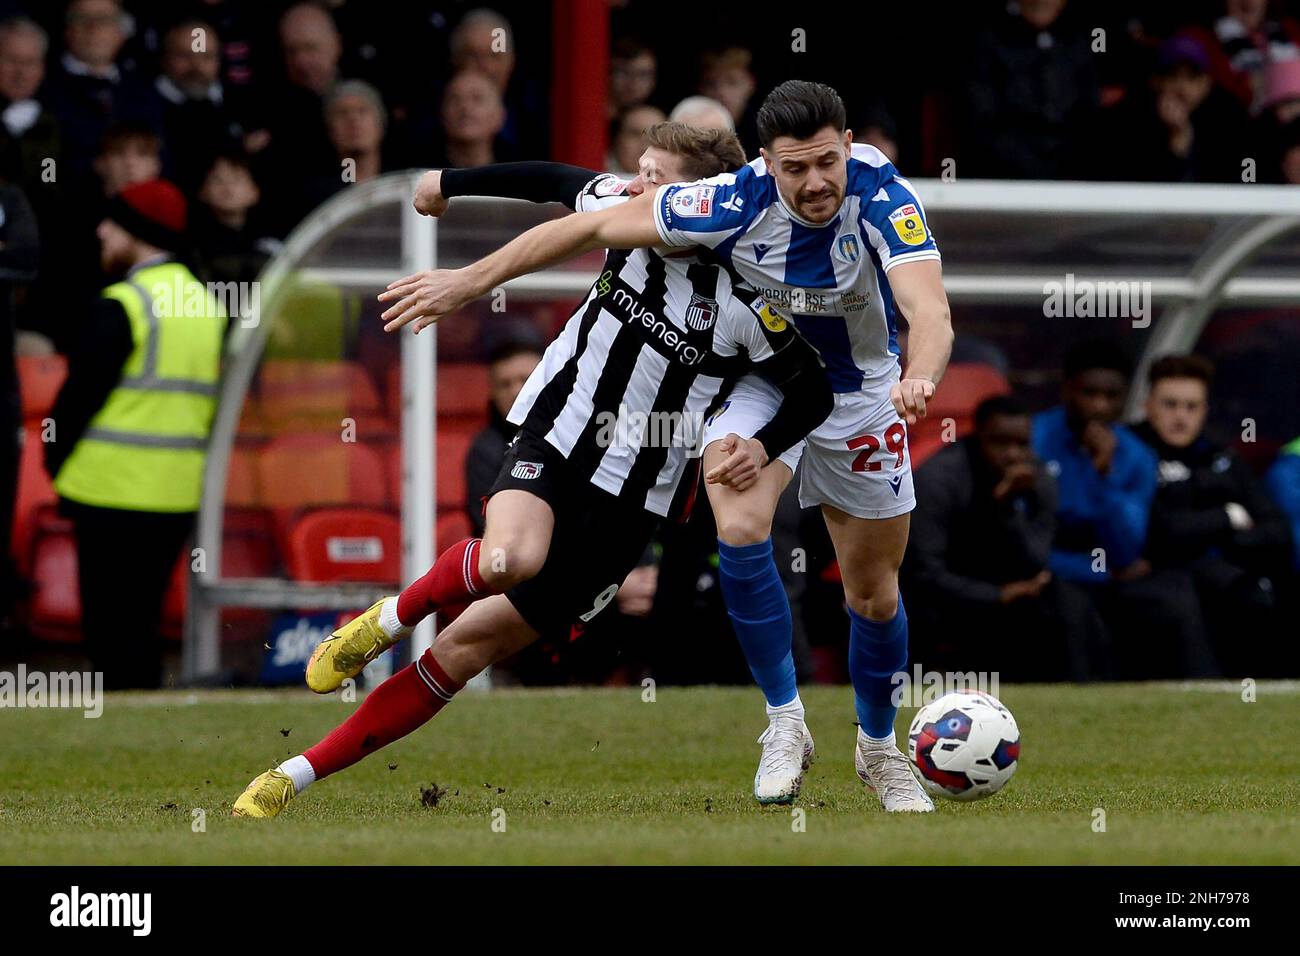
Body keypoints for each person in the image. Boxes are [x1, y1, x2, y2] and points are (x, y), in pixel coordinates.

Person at [370, 80, 955, 813]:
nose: (816, 183)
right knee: (737, 513)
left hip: (865, 393)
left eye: (827, 163)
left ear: (845, 148)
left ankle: (877, 748)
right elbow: (586, 224)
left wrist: (921, 375)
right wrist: (467, 281)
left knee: (873, 594)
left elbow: (928, 308)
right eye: (796, 168)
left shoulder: (884, 195)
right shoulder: (727, 202)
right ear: (766, 165)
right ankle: (785, 724)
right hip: (769, 381)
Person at [231, 121, 833, 817]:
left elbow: (812, 388)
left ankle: (294, 777)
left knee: (464, 649)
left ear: (698, 199)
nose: (636, 187)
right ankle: (389, 618)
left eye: (655, 179)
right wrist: (447, 183)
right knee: (507, 559)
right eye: (636, 170)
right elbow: (550, 180)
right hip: (559, 431)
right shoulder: (623, 209)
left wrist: (762, 444)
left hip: (637, 498)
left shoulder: (744, 297)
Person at [45, 180, 226, 688]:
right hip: (174, 492)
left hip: (106, 489)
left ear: (138, 233)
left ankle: (112, 729)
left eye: (114, 223)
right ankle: (144, 720)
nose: (102, 232)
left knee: (107, 631)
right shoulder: (207, 304)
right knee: (142, 625)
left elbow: (76, 402)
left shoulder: (123, 302)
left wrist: (54, 463)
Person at [1033, 339, 1218, 680]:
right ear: (1067, 391)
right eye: (1089, 393)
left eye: (1111, 396)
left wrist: (1106, 474)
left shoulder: (1135, 455)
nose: (1099, 406)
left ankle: (1201, 694)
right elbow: (1028, 537)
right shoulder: (1035, 439)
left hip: (1111, 568)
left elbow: (1127, 546)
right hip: (1055, 569)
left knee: (1175, 597)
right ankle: (1081, 703)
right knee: (1071, 605)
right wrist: (1093, 571)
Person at [1133, 354, 1291, 673]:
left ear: (1204, 411)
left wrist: (1223, 541)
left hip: (1221, 572)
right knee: (1182, 599)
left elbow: (1277, 531)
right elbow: (1160, 532)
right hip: (1152, 578)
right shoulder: (1132, 452)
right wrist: (1227, 518)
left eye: (1191, 407)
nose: (1181, 417)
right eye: (1170, 405)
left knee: (1258, 593)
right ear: (1148, 405)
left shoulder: (1221, 458)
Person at [905, 395, 1069, 681]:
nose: (1012, 455)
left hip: (1009, 595)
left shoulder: (1036, 478)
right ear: (978, 437)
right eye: (1000, 442)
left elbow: (1035, 561)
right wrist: (997, 595)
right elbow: (923, 574)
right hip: (945, 601)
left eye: (1021, 444)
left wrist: (1007, 509)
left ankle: (1075, 691)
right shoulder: (939, 480)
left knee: (1065, 602)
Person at [464, 338, 542, 537]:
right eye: (504, 384)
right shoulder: (484, 452)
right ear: (493, 394)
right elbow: (494, 528)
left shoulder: (579, 436)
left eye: (525, 379)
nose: (515, 391)